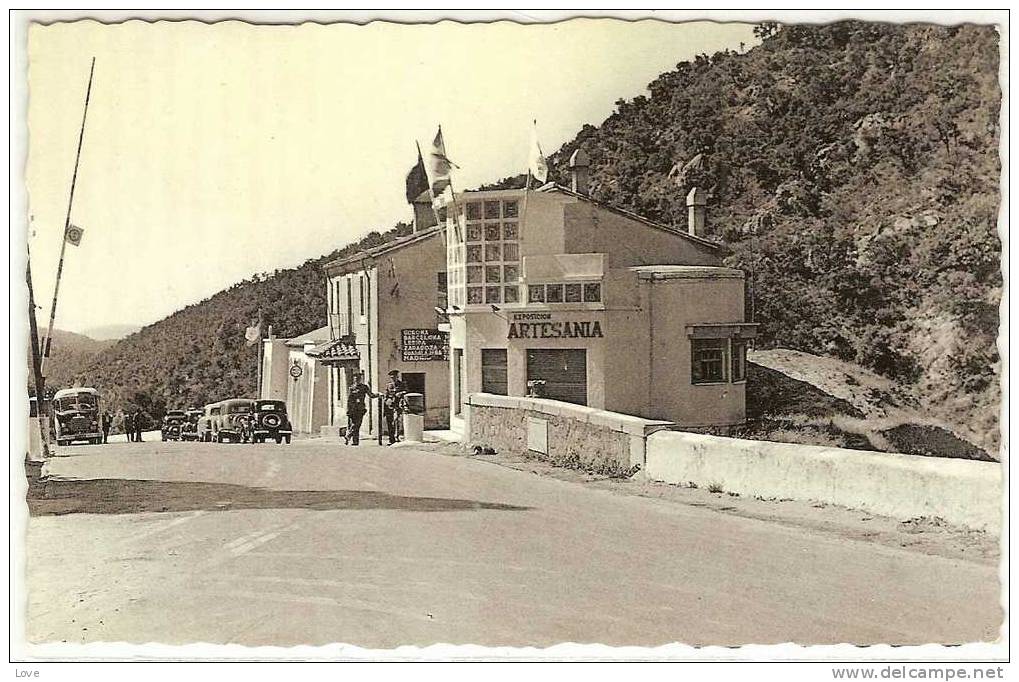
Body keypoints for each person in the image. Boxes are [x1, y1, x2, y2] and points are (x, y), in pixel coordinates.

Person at [344, 372, 375, 446]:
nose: (357, 380)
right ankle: (354, 440)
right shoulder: (351, 388)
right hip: (353, 409)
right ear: (354, 380)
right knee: (355, 424)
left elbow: (371, 395)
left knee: (357, 424)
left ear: (360, 379)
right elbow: (349, 400)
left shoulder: (364, 387)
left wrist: (378, 395)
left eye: (358, 379)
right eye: (355, 379)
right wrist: (348, 409)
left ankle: (350, 437)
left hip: (361, 408)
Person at [382, 369, 407, 445]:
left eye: (394, 377)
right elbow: (385, 395)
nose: (393, 378)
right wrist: (387, 400)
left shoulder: (401, 384)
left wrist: (400, 393)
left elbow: (406, 391)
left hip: (398, 405)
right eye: (392, 377)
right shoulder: (389, 385)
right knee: (390, 423)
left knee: (396, 421)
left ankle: (397, 436)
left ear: (397, 376)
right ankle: (391, 439)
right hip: (389, 406)